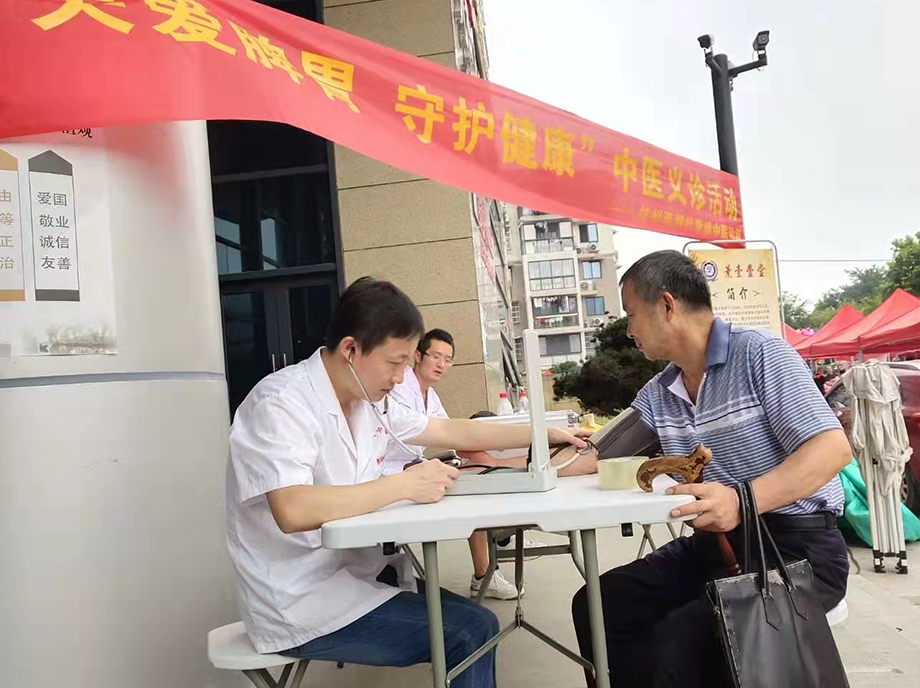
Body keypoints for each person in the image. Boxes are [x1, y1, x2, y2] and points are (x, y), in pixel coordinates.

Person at [226, 277, 588, 688]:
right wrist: (403, 485)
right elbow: (293, 509)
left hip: (360, 577)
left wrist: (540, 432)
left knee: (475, 624)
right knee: (472, 631)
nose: (401, 378)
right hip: (302, 599)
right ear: (350, 349)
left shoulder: (367, 400)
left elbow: (456, 433)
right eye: (395, 362)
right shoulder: (281, 403)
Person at [571, 251, 852, 688]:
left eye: (631, 315)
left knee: (673, 649)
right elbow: (598, 452)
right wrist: (509, 468)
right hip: (715, 547)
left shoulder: (760, 354)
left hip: (795, 551)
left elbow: (832, 448)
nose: (628, 332)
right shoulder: (661, 390)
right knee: (599, 604)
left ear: (667, 305)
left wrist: (743, 500)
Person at [383, 329, 597, 599]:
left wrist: (494, 454)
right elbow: (453, 435)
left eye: (447, 360)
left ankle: (502, 539)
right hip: (398, 475)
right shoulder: (399, 391)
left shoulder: (430, 396)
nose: (441, 364)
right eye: (436, 356)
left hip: (414, 467)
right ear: (417, 356)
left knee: (482, 466)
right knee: (479, 473)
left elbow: (455, 436)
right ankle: (488, 565)